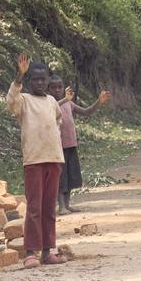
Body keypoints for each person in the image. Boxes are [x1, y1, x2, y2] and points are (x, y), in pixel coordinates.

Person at [6, 53, 68, 268]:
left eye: (44, 79)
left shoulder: (51, 101)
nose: (40, 83)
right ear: (29, 81)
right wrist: (18, 77)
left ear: (48, 81)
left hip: (54, 159)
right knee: (34, 208)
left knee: (49, 207)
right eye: (35, 79)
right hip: (34, 160)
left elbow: (58, 119)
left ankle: (47, 251)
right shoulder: (23, 100)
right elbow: (10, 101)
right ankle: (30, 252)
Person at [48, 76, 110, 215]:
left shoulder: (69, 104)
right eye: (53, 87)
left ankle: (68, 204)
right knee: (60, 177)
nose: (57, 90)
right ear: (48, 89)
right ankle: (61, 206)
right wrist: (65, 99)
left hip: (71, 145)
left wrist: (99, 102)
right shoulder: (49, 103)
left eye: (59, 87)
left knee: (70, 175)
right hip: (58, 147)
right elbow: (50, 109)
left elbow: (86, 112)